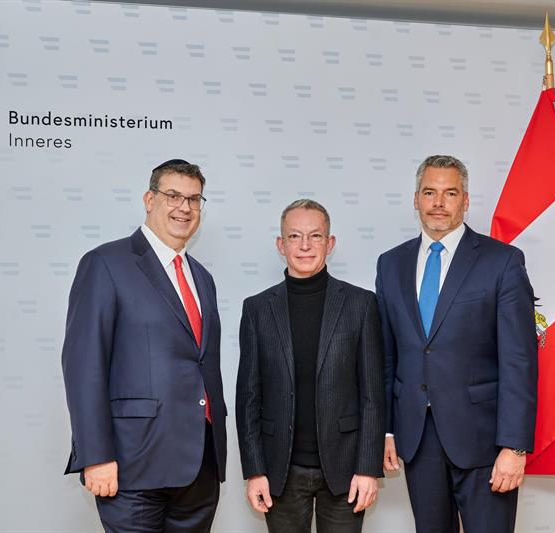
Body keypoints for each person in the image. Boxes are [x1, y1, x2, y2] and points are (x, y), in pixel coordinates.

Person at [61, 159, 226, 533]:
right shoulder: (105, 263)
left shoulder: (203, 278)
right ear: (149, 200)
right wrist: (96, 455)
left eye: (194, 199)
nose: (184, 207)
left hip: (199, 468)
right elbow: (84, 365)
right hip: (132, 464)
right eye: (173, 195)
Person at [376, 155, 538, 532]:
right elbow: (386, 356)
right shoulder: (390, 264)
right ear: (415, 199)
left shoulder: (502, 262)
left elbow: (519, 361)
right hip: (418, 438)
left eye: (450, 193)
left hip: (484, 442)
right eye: (429, 192)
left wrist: (514, 447)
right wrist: (387, 430)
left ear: (465, 201)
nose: (438, 202)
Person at [236, 199, 384, 533]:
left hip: (346, 470)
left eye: (315, 236)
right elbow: (248, 398)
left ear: (330, 243)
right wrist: (255, 470)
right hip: (280, 471)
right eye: (294, 236)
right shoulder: (257, 309)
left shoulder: (360, 305)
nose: (305, 245)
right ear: (281, 244)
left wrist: (367, 468)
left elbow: (372, 395)